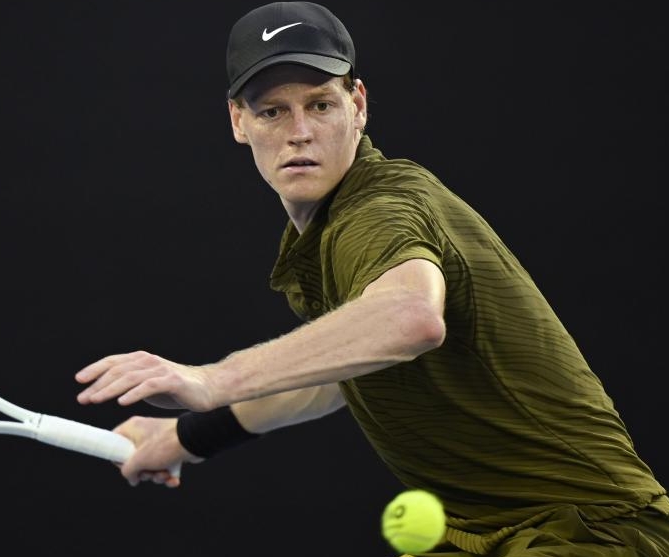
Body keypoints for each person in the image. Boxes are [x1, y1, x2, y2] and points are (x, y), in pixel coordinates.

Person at [75, 2, 669, 555]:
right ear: (239, 121)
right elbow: (342, 373)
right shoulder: (325, 230)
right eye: (272, 110)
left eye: (320, 105)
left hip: (591, 532)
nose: (299, 131)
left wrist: (212, 379)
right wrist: (191, 436)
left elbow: (409, 318)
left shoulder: (378, 210)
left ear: (357, 106)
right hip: (491, 533)